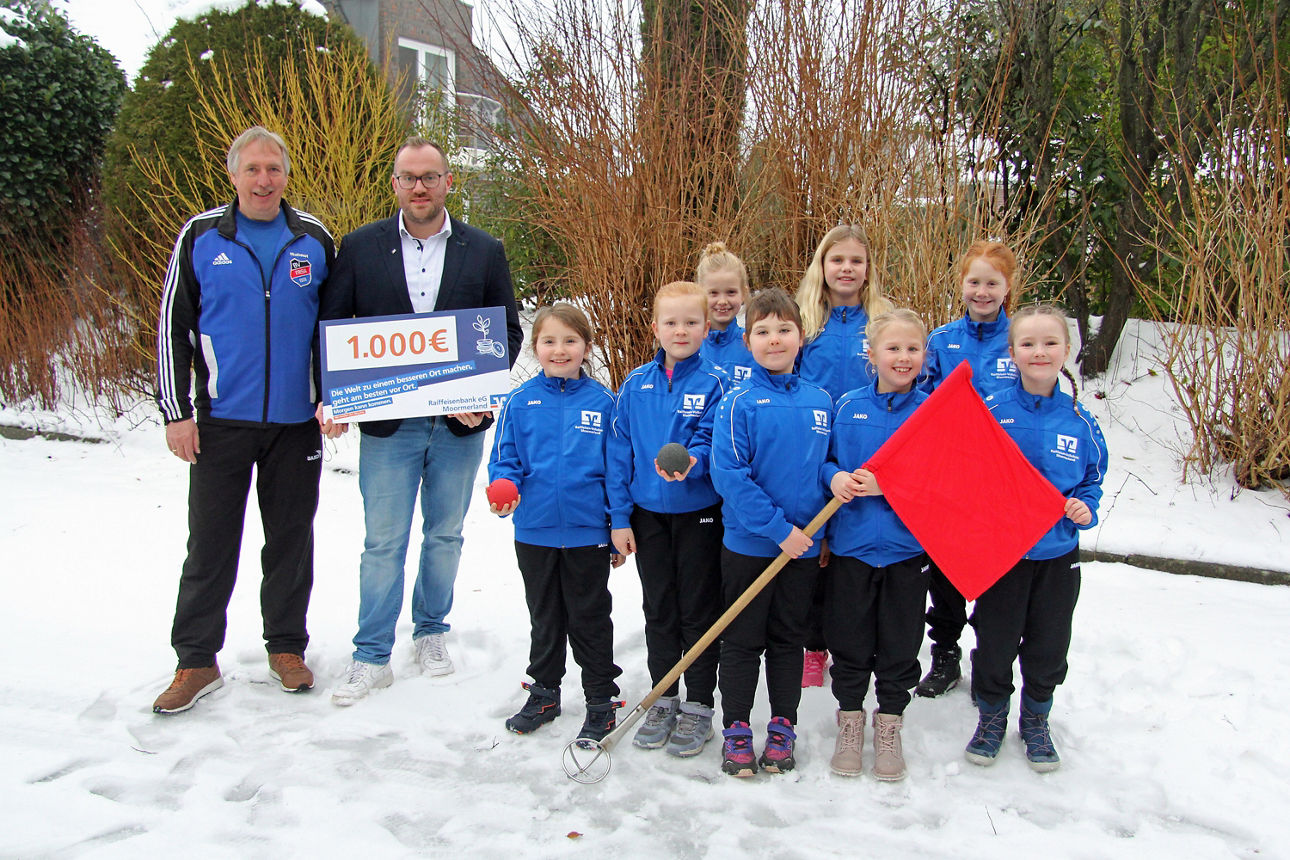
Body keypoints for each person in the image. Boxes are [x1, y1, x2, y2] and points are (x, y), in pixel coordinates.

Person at [320, 136, 523, 705]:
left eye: (430, 176)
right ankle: (371, 654)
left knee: (445, 534)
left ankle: (431, 631)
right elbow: (336, 331)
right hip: (390, 426)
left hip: (458, 426)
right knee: (383, 541)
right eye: (408, 177)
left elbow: (505, 332)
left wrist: (481, 392)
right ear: (394, 184)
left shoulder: (483, 250)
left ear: (448, 182)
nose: (419, 186)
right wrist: (335, 397)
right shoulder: (360, 248)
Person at [152, 126, 336, 714]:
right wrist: (177, 412)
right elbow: (172, 329)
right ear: (232, 175)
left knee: (290, 541)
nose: (263, 180)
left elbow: (335, 332)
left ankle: (285, 648)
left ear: (286, 175)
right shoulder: (203, 235)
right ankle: (196, 660)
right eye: (252, 169)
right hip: (220, 423)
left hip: (295, 425)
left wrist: (337, 398)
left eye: (273, 169)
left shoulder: (313, 240)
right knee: (209, 545)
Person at [966, 303, 1107, 771]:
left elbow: (1091, 481)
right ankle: (991, 716)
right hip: (1002, 555)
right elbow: (966, 469)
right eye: (1028, 343)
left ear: (1067, 350)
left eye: (1050, 343)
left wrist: (1085, 507)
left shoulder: (1081, 422)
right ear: (1012, 351)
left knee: (1048, 643)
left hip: (1056, 556)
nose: (1039, 351)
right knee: (996, 640)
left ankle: (1036, 717)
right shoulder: (990, 410)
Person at [488, 304, 625, 744]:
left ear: (586, 347)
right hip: (535, 531)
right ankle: (544, 692)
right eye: (549, 341)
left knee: (589, 617)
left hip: (588, 533)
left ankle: (601, 698)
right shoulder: (519, 401)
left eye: (570, 340)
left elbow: (617, 470)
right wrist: (504, 485)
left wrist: (617, 526)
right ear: (535, 347)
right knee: (544, 616)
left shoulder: (604, 402)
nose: (560, 349)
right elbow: (503, 458)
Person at [710, 287, 832, 777]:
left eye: (784, 330)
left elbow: (824, 466)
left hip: (803, 549)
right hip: (751, 545)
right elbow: (729, 473)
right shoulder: (738, 402)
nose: (774, 339)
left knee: (788, 639)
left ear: (801, 337)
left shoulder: (821, 400)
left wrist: (835, 483)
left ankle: (783, 725)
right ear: (747, 340)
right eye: (763, 331)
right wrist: (779, 530)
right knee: (742, 640)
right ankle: (737, 727)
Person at [608, 281, 729, 758]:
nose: (681, 331)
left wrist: (693, 461)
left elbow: (713, 440)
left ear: (706, 327)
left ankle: (698, 703)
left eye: (691, 322)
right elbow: (619, 454)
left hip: (699, 514)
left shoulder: (716, 384)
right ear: (655, 326)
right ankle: (664, 696)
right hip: (647, 517)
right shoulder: (636, 384)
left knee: (698, 609)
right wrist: (620, 519)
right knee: (659, 609)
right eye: (671, 322)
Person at [820, 310, 932, 781]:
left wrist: (894, 488)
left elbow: (944, 480)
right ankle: (850, 720)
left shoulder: (931, 411)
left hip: (908, 552)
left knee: (900, 641)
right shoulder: (847, 408)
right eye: (893, 348)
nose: (903, 357)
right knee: (849, 639)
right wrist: (837, 477)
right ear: (872, 355)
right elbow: (823, 463)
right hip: (852, 548)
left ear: (924, 356)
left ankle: (889, 723)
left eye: (912, 349)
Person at [915, 240, 1020, 698]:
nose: (982, 291)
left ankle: (990, 658)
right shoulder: (941, 341)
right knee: (946, 573)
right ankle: (944, 655)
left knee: (996, 573)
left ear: (1007, 287)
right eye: (974, 281)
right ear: (961, 284)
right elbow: (921, 406)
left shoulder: (1020, 338)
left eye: (992, 283)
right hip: (950, 479)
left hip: (1000, 480)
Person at [795, 225, 894, 687]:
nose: (847, 268)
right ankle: (813, 645)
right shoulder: (805, 320)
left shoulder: (881, 320)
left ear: (869, 268)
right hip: (813, 448)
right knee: (817, 546)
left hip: (863, 449)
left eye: (856, 260)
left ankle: (854, 643)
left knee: (852, 547)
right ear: (822, 266)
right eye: (837, 260)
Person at [696, 242, 754, 384]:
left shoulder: (754, 345)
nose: (722, 301)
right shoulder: (690, 345)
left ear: (743, 293)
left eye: (731, 292)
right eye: (713, 293)